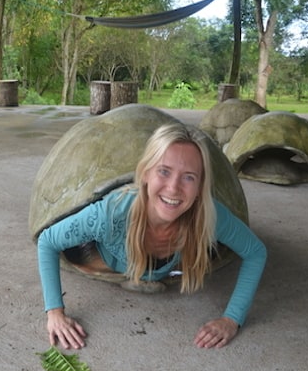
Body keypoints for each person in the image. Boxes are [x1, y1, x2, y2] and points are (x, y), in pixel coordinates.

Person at [36, 122, 267, 350]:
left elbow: (256, 252)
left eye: (188, 177)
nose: (173, 188)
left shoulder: (208, 216)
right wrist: (54, 313)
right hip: (98, 254)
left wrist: (232, 319)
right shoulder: (110, 214)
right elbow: (47, 241)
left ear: (200, 187)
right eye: (164, 171)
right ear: (145, 173)